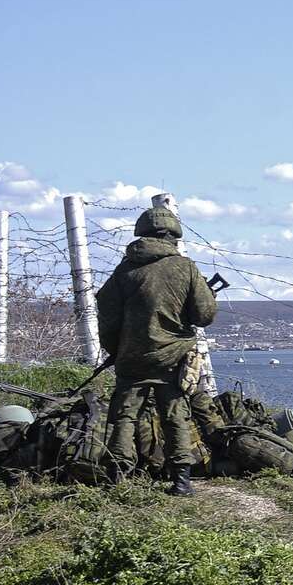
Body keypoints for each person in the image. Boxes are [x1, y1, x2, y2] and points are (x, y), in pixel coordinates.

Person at [96, 204, 218, 495]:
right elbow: (203, 316)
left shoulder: (125, 269)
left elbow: (107, 312)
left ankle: (118, 478)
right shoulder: (185, 267)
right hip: (173, 357)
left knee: (124, 417)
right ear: (173, 234)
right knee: (175, 416)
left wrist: (116, 349)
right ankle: (181, 481)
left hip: (131, 358)